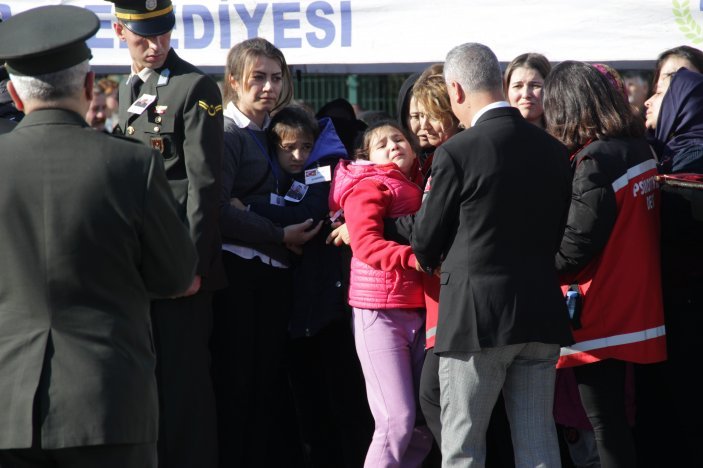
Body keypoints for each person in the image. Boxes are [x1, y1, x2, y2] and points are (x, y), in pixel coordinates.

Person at [0, 5, 197, 467]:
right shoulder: (132, 164)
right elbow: (176, 275)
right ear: (90, 88)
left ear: (14, 93)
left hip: (8, 408)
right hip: (110, 403)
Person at [411, 43, 573, 467]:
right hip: (540, 312)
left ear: (456, 90)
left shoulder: (457, 151)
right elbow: (560, 231)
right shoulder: (553, 150)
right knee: (539, 445)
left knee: (463, 447)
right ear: (501, 83)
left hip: (474, 320)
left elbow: (425, 241)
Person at [108, 1, 225, 466]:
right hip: (141, 265)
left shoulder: (194, 87)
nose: (155, 46)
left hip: (181, 268)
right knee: (149, 384)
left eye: (163, 34)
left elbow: (205, 185)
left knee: (184, 388)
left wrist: (190, 267)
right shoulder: (125, 88)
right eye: (143, 38)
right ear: (120, 31)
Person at [232, 104, 373, 467]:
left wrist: (248, 210)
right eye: (288, 148)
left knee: (340, 406)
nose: (298, 156)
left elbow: (305, 214)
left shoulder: (320, 171)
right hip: (300, 311)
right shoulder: (274, 179)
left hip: (327, 310)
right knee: (308, 410)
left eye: (305, 146)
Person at [543, 61, 667, 468]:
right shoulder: (637, 148)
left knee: (605, 426)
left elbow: (576, 246)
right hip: (636, 302)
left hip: (599, 309)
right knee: (620, 424)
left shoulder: (595, 159)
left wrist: (536, 268)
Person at [213, 37, 322, 468]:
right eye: (258, 77)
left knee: (268, 391)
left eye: (277, 78)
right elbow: (217, 210)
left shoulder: (272, 130)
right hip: (239, 277)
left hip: (277, 278)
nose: (269, 87)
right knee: (239, 389)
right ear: (234, 81)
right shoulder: (225, 133)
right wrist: (278, 235)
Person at [329, 120, 433, 467]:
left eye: (399, 139)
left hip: (419, 310)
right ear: (367, 157)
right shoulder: (369, 184)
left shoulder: (420, 183)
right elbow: (366, 245)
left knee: (421, 424)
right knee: (395, 421)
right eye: (382, 144)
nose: (393, 146)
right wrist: (414, 259)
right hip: (380, 312)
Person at [641, 66, 703, 466]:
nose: (647, 100)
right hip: (669, 306)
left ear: (683, 105)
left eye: (661, 94)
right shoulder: (664, 152)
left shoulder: (695, 154)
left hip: (691, 308)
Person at [503, 52, 551, 127]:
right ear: (507, 89)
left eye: (535, 86)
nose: (526, 94)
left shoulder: (565, 136)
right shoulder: (497, 136)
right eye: (518, 86)